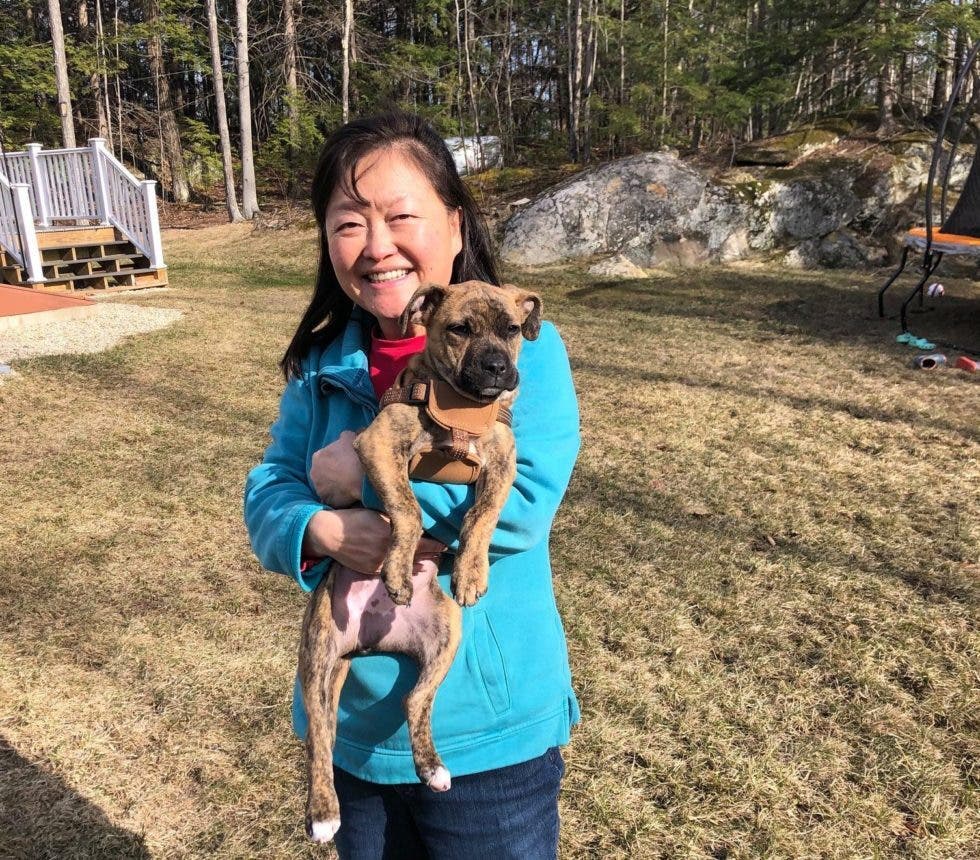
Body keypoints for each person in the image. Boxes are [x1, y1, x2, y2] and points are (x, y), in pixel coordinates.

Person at [244, 111, 580, 859]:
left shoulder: (530, 353)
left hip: (488, 730)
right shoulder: (321, 363)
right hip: (357, 731)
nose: (377, 246)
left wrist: (360, 477)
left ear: (457, 227)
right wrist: (319, 528)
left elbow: (522, 503)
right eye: (348, 224)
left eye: (402, 217)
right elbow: (269, 486)